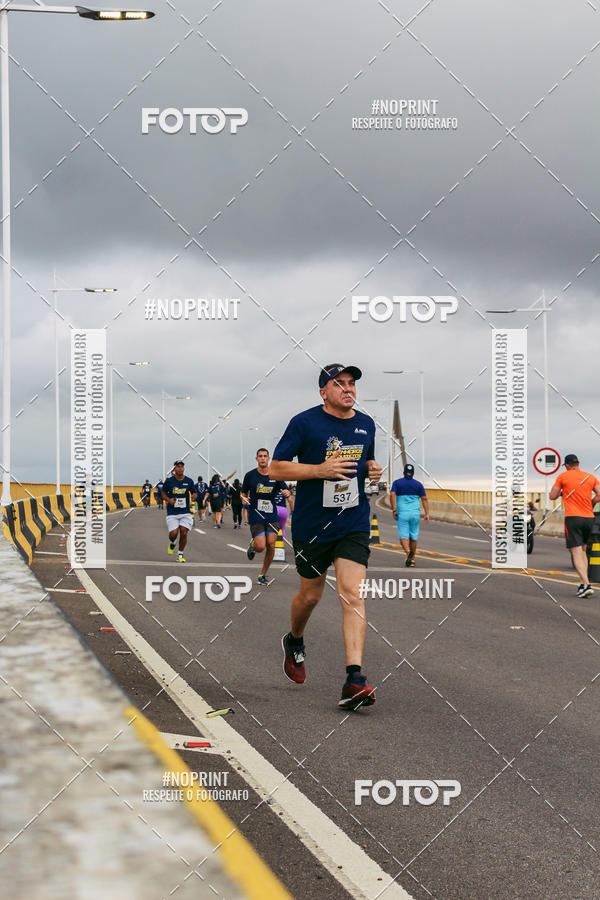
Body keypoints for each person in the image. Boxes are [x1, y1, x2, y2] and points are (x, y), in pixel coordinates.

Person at [271, 363, 382, 710]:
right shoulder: (304, 423)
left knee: (353, 594)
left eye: (351, 383)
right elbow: (276, 468)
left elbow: (366, 463)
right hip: (312, 525)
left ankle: (354, 678)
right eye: (339, 384)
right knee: (310, 596)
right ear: (323, 392)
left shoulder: (366, 424)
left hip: (353, 521)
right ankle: (294, 640)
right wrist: (318, 470)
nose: (348, 389)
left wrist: (373, 469)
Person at [549, 454, 600, 597]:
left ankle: (586, 584)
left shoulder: (563, 477)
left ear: (567, 465)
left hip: (573, 518)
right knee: (583, 550)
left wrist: (562, 492)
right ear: (577, 464)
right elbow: (599, 494)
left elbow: (552, 496)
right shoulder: (590, 477)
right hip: (589, 518)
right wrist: (590, 502)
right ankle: (583, 584)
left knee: (576, 551)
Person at [241, 449, 290, 585]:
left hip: (272, 515)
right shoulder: (250, 475)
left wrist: (287, 493)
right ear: (256, 458)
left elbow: (285, 489)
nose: (263, 458)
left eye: (265, 456)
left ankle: (262, 574)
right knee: (261, 546)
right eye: (260, 456)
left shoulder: (275, 475)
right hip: (256, 515)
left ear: (268, 458)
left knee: (271, 545)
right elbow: (243, 492)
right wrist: (243, 499)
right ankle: (253, 546)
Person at [389, 463, 429, 566]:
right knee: (413, 537)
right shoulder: (419, 484)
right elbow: (424, 499)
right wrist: (427, 514)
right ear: (413, 473)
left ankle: (408, 553)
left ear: (404, 472)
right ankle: (412, 559)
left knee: (403, 536)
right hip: (415, 513)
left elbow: (392, 494)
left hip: (403, 513)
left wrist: (394, 510)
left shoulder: (397, 483)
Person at [161, 460, 197, 563]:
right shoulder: (169, 481)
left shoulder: (189, 481)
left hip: (185, 511)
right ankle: (173, 542)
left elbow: (194, 493)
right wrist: (169, 500)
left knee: (184, 532)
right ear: (174, 469)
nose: (180, 468)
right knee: (173, 534)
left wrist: (194, 496)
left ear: (183, 468)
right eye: (178, 466)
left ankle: (180, 554)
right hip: (172, 512)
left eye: (182, 466)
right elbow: (163, 493)